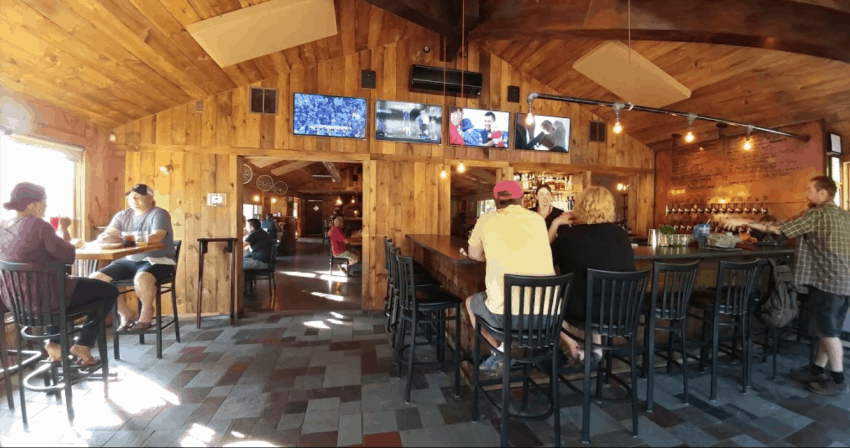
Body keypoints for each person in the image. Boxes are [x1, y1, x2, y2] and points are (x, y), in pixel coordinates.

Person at [748, 176, 850, 395]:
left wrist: (743, 222)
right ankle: (816, 370)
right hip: (844, 281)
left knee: (829, 332)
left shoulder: (818, 214)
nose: (807, 194)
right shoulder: (844, 215)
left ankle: (838, 380)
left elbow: (781, 229)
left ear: (823, 194)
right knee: (827, 330)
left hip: (828, 280)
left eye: (810, 190)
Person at [0, 183, 118, 369]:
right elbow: (68, 256)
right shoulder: (38, 225)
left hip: (15, 302)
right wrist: (64, 229)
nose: (45, 206)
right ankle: (83, 345)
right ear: (34, 204)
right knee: (109, 290)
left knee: (56, 289)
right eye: (44, 202)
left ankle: (54, 344)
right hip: (45, 300)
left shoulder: (2, 225)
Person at [462, 180, 556, 373]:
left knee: (471, 303)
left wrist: (490, 252)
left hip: (506, 319)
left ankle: (501, 352)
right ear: (521, 199)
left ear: (496, 200)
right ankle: (510, 351)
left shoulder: (486, 220)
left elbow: (473, 254)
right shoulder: (537, 219)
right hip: (548, 318)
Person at [550, 186, 635, 363]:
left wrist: (556, 223)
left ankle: (573, 347)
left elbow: (544, 259)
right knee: (595, 293)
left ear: (580, 207)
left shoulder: (569, 236)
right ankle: (596, 350)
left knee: (546, 302)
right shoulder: (621, 234)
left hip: (582, 312)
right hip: (622, 312)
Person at [90, 184, 175, 332]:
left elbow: (157, 237)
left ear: (150, 198)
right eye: (131, 196)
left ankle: (147, 311)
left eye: (138, 196)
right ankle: (126, 313)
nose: (133, 199)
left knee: (141, 278)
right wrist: (104, 238)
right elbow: (111, 234)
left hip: (157, 259)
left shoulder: (159, 213)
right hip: (128, 260)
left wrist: (129, 239)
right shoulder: (123, 215)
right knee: (95, 280)